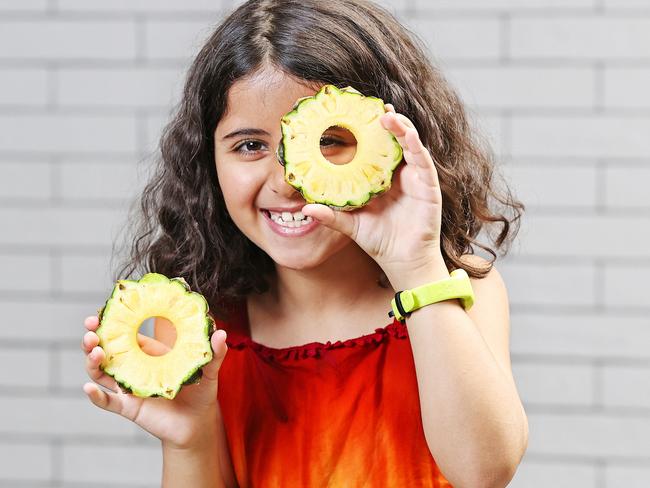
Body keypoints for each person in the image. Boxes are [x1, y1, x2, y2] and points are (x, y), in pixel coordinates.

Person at [81, 0, 529, 486]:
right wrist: (188, 439)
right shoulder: (207, 326)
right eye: (250, 146)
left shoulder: (453, 289)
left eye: (329, 141)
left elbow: (485, 472)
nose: (288, 182)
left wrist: (415, 268)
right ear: (208, 163)